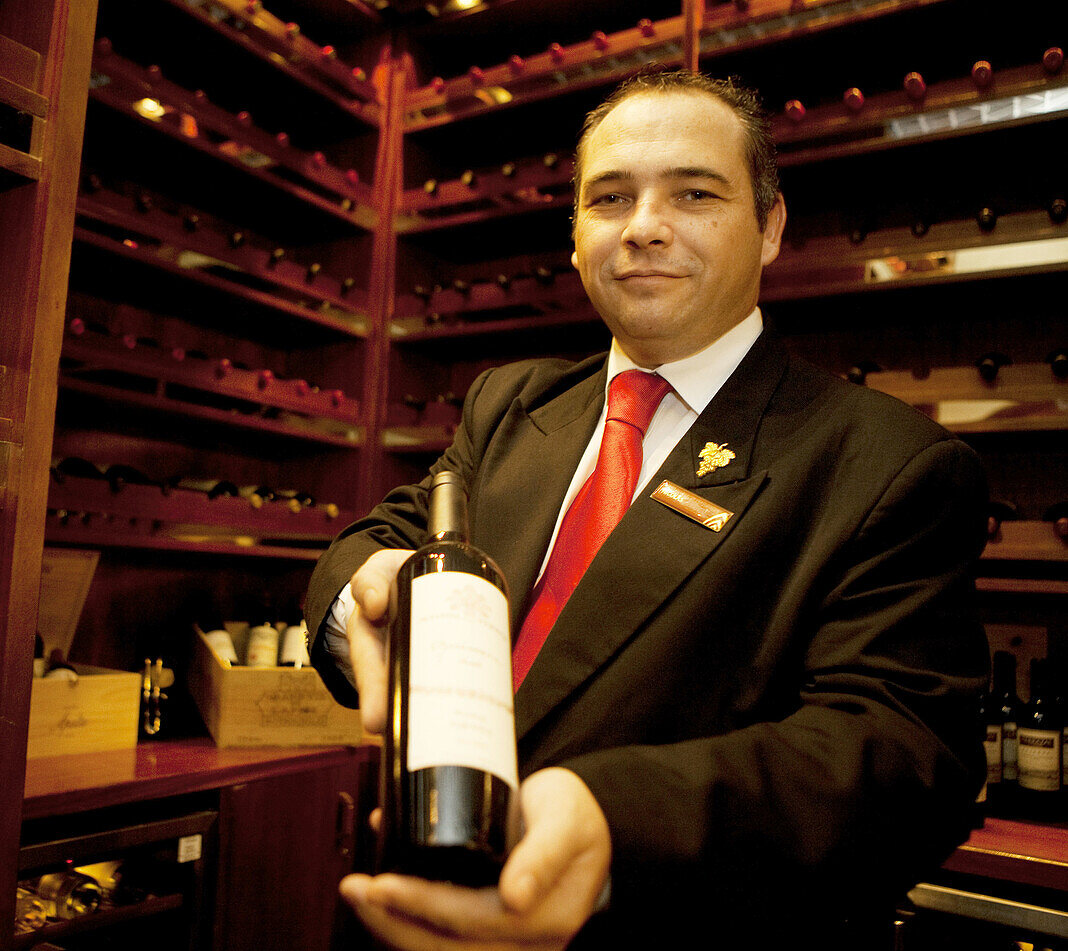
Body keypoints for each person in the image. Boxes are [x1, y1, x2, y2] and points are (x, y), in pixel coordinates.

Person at [305, 69, 989, 950]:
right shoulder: (511, 405)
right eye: (609, 198)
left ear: (770, 226)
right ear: (578, 235)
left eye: (695, 193)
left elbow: (898, 753)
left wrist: (612, 823)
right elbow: (380, 541)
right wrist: (363, 596)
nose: (644, 227)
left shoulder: (887, 462)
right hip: (406, 904)